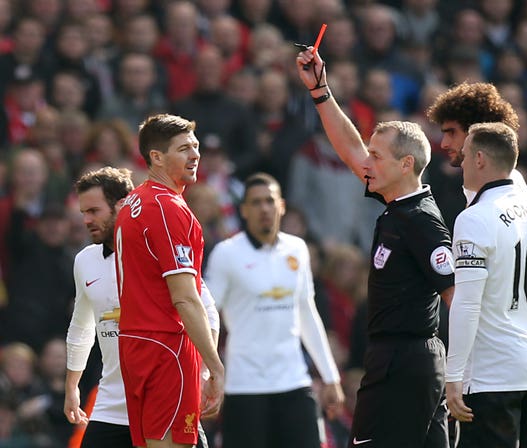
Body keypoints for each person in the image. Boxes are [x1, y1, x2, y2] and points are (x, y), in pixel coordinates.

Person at [297, 47, 455, 448]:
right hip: (403, 360)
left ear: (405, 165)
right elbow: (350, 149)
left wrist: (463, 372)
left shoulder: (420, 221)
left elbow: (457, 296)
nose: (366, 162)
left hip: (405, 364)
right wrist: (321, 93)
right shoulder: (400, 206)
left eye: (377, 155)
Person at [63, 166, 219, 447]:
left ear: (121, 205)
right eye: (83, 212)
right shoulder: (85, 260)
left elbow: (206, 312)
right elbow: (81, 327)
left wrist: (204, 373)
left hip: (165, 400)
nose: (86, 220)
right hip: (110, 406)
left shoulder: (154, 247)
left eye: (94, 211)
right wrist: (72, 386)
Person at [204, 172, 344, 448]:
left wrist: (330, 377)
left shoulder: (298, 249)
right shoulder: (226, 254)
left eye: (269, 201)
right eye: (256, 203)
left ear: (281, 206)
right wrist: (204, 375)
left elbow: (306, 313)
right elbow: (207, 316)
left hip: (294, 382)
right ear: (243, 210)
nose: (264, 208)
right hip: (244, 387)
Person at [445, 122, 527, 448]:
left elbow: (467, 303)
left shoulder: (474, 218)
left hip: (491, 374)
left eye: (465, 156)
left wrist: (453, 376)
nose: (461, 163)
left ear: (480, 159)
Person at [114, 114, 225, 448]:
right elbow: (185, 298)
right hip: (167, 349)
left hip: (135, 343)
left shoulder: (133, 202)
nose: (195, 155)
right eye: (183, 149)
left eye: (195, 146)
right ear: (156, 157)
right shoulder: (167, 208)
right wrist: (214, 365)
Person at [426, 81, 527, 205]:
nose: (444, 144)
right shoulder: (445, 181)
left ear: (476, 132)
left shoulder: (513, 185)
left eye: (452, 133)